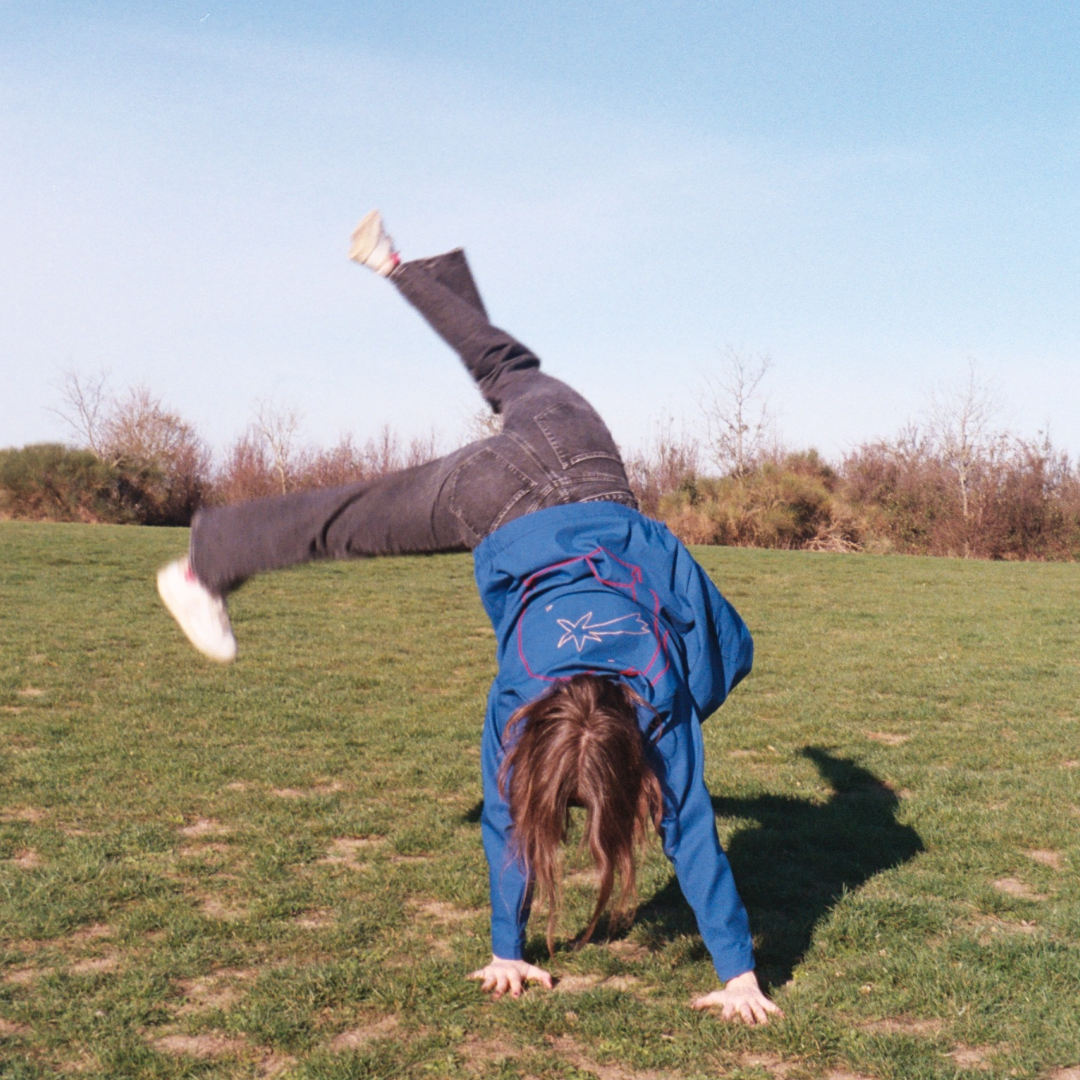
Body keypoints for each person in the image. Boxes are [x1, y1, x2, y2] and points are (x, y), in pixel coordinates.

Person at [157, 212, 782, 1025]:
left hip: (581, 460)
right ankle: (200, 566)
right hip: (519, 486)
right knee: (358, 516)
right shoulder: (559, 702)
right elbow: (667, 826)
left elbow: (713, 651)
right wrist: (737, 974)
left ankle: (398, 264)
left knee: (501, 370)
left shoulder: (635, 695)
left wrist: (509, 949)